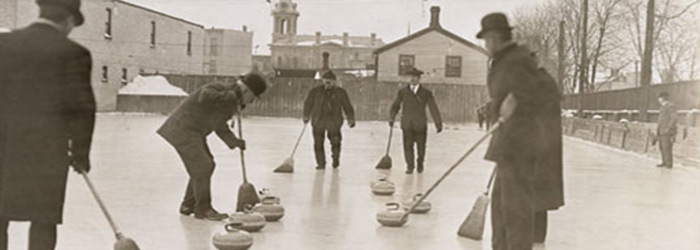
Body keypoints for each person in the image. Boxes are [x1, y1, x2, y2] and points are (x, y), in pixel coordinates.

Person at [0, 0, 95, 249]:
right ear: (68, 20)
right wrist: (81, 152)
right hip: (48, 152)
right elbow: (83, 109)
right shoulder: (75, 54)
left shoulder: (4, 44)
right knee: (43, 220)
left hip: (3, 146)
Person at [478, 13, 549, 250]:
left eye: (486, 40)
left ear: (495, 37)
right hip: (507, 145)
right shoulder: (503, 59)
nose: (485, 45)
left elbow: (542, 95)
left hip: (519, 145)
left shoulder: (518, 59)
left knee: (516, 211)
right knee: (500, 210)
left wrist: (517, 100)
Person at [157, 73, 267, 221]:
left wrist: (234, 141)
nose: (252, 102)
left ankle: (188, 205)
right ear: (246, 90)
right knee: (203, 165)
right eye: (253, 98)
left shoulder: (232, 101)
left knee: (206, 165)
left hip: (194, 132)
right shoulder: (221, 89)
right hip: (182, 129)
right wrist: (233, 95)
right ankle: (203, 209)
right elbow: (205, 96)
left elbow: (219, 124)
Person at [530, 52, 565, 243]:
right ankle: (535, 235)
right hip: (543, 147)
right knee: (537, 195)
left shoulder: (540, 84)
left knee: (534, 192)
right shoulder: (541, 81)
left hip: (539, 148)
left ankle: (533, 235)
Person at [389, 67, 443, 174]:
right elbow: (395, 106)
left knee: (421, 147)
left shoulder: (426, 93)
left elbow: (433, 107)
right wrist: (392, 117)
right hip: (407, 124)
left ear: (419, 79)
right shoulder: (403, 92)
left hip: (420, 125)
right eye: (410, 77)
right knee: (407, 146)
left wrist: (438, 123)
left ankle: (420, 163)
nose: (412, 79)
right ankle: (410, 166)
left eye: (414, 77)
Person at [303, 70, 355, 169]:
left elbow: (347, 106)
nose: (328, 82)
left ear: (334, 81)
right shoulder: (315, 91)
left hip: (334, 121)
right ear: (323, 80)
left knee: (335, 142)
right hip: (318, 121)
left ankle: (335, 159)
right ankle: (321, 163)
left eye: (330, 80)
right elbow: (308, 104)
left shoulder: (341, 92)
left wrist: (351, 119)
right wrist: (306, 116)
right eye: (326, 79)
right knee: (318, 143)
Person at [656, 92, 677, 169]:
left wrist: (668, 128)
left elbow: (673, 118)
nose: (658, 99)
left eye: (659, 98)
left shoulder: (670, 106)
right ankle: (664, 162)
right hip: (661, 131)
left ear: (662, 98)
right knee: (662, 147)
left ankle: (669, 164)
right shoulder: (662, 107)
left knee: (667, 147)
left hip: (667, 131)